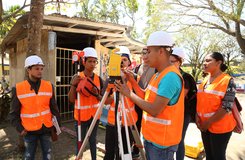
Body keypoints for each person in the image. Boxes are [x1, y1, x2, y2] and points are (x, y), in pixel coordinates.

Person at [115, 31, 185, 160]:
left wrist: (128, 93)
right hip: (151, 138)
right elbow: (144, 96)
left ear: (161, 52)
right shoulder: (158, 74)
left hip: (161, 143)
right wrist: (132, 81)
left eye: (149, 51)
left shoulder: (170, 77)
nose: (146, 56)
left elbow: (154, 109)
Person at [9, 55, 60, 160]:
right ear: (28, 69)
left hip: (46, 128)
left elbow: (54, 108)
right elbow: (13, 113)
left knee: (48, 155)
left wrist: (57, 127)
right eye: (37, 68)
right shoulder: (18, 88)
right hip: (29, 131)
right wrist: (20, 129)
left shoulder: (49, 86)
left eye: (41, 68)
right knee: (29, 156)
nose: (40, 71)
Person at [196, 52, 236, 160]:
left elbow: (226, 107)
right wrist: (197, 117)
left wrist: (208, 123)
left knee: (218, 156)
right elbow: (200, 101)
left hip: (220, 128)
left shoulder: (227, 80)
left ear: (218, 63)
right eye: (204, 61)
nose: (204, 63)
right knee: (209, 156)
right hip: (204, 126)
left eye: (208, 61)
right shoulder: (204, 80)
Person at [68, 47, 104, 160]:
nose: (92, 64)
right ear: (84, 61)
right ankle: (79, 157)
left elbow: (102, 98)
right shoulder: (77, 77)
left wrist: (96, 94)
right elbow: (71, 99)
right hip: (80, 116)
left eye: (94, 61)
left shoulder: (99, 79)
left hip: (94, 116)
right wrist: (73, 85)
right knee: (80, 142)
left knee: (93, 141)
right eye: (90, 61)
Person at [104, 46, 138, 160]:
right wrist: (114, 93)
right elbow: (105, 100)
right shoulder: (110, 80)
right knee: (109, 152)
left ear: (129, 62)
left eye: (124, 59)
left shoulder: (134, 79)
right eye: (119, 60)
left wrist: (127, 82)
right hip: (112, 122)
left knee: (125, 152)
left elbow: (139, 99)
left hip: (127, 123)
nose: (122, 62)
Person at [170, 47, 197, 160]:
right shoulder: (168, 75)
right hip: (171, 113)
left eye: (172, 62)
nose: (169, 64)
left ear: (180, 61)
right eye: (168, 61)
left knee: (179, 139)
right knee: (171, 139)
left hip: (183, 114)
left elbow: (179, 97)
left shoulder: (185, 77)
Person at [131, 46, 156, 158]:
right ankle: (136, 150)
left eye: (148, 53)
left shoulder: (156, 69)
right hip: (137, 103)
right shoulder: (136, 68)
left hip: (150, 105)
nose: (145, 56)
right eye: (144, 53)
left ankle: (148, 153)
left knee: (148, 130)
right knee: (136, 128)